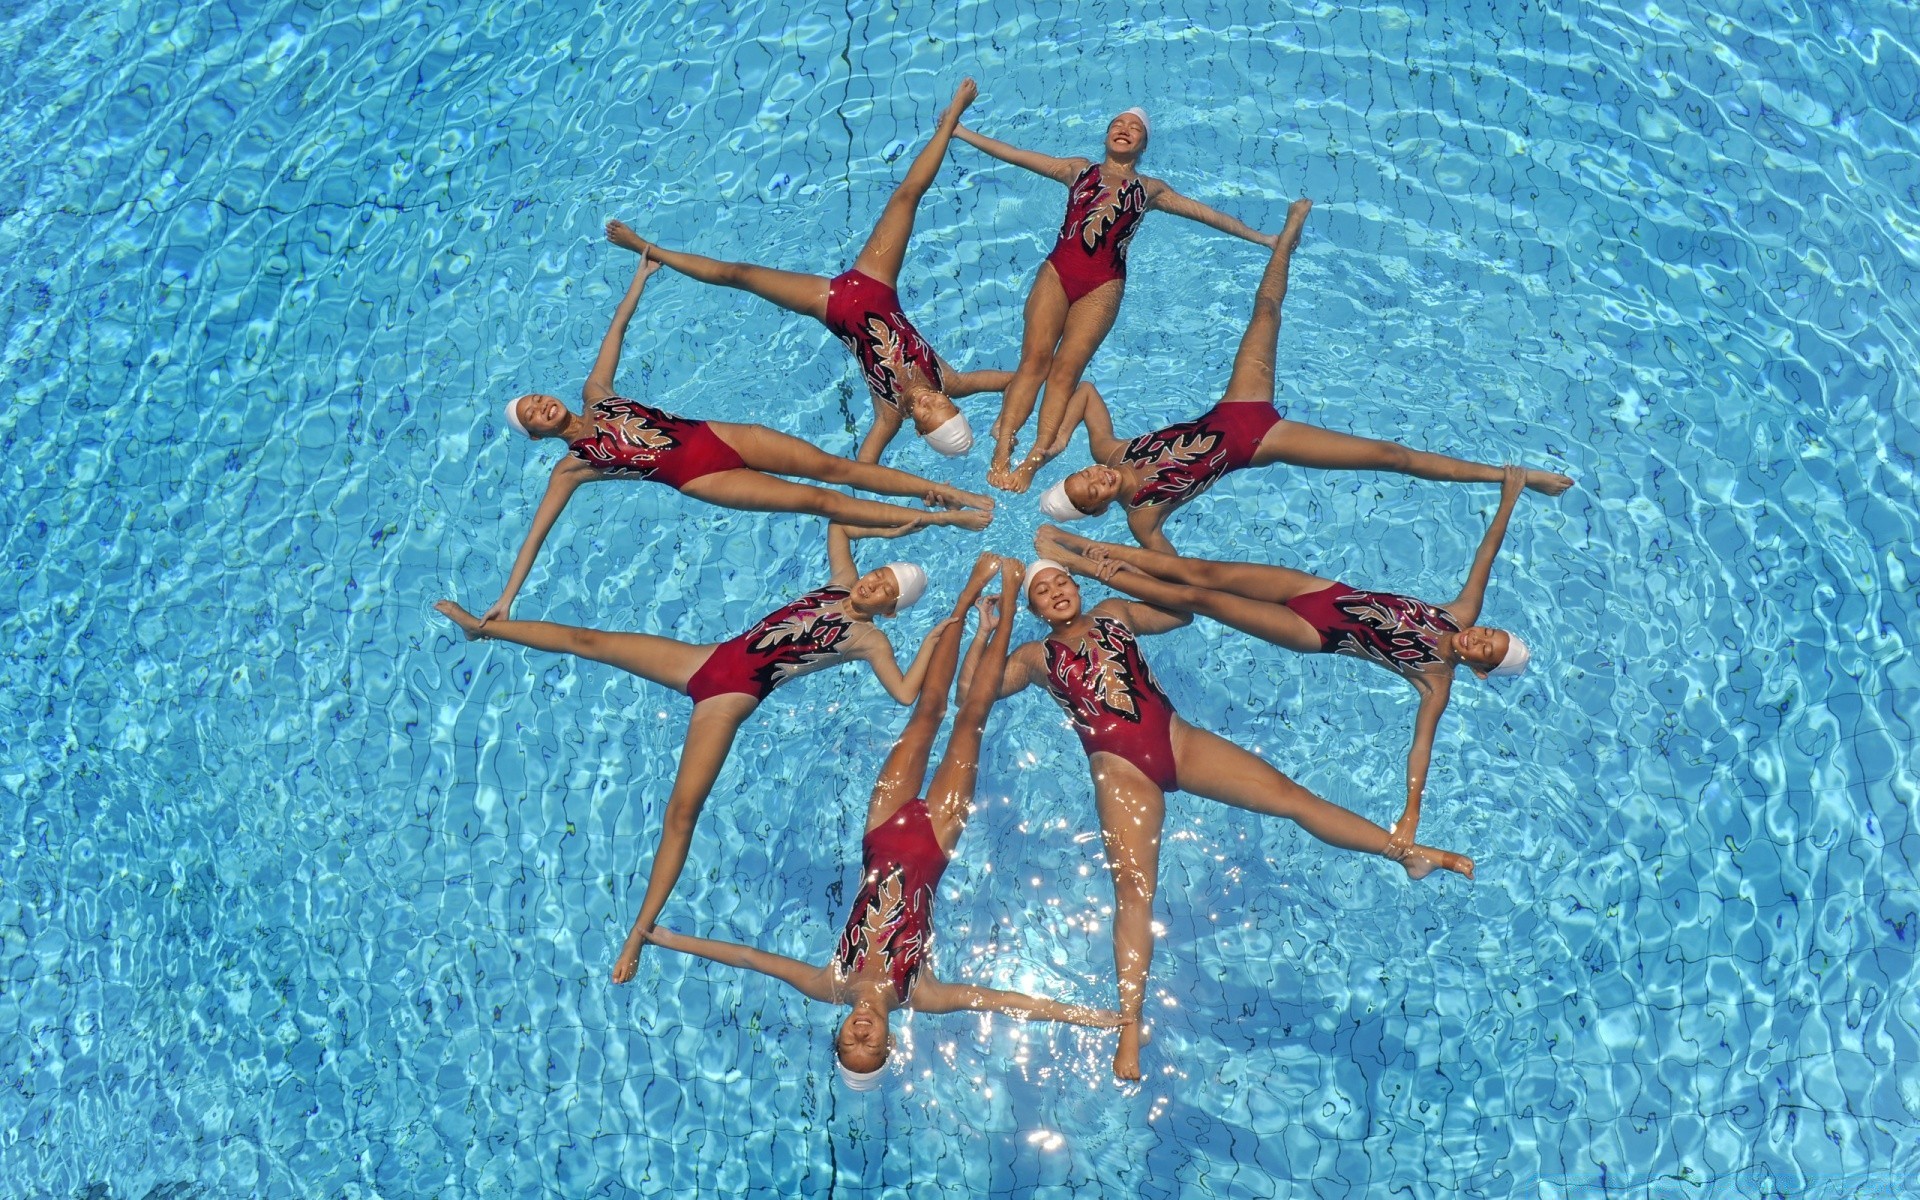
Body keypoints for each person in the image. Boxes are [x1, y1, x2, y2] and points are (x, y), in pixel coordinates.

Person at [643, 555, 1127, 1091]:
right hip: (935, 841)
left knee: (926, 714)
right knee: (972, 719)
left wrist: (663, 937)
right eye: (870, 1045)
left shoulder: (829, 983)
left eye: (849, 1042)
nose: (861, 1034)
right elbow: (1003, 1002)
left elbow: (746, 956)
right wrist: (1088, 1018)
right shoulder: (921, 993)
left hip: (881, 829)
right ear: (889, 1042)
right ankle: (1008, 606)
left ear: (840, 1032)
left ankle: (966, 603)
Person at [996, 547, 1473, 1080]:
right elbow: (976, 691)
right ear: (1035, 609)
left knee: (1292, 798)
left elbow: (1181, 614)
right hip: (1119, 770)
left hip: (1177, 741)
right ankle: (1130, 1024)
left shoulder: (1114, 612)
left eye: (1063, 581)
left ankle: (1406, 853)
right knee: (1133, 891)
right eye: (1044, 590)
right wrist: (998, 623)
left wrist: (1129, 579)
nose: (1059, 590)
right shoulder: (1034, 658)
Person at [435, 521, 957, 979]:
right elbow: (839, 526)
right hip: (700, 660)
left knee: (681, 814)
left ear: (890, 609)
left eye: (886, 588)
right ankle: (486, 629)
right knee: (588, 639)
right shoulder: (840, 582)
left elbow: (905, 692)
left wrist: (933, 640)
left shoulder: (871, 640)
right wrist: (888, 532)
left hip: (728, 700)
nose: (873, 582)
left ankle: (639, 931)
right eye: (879, 573)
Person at [1036, 461, 1532, 852]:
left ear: (1481, 671)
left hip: (1313, 629)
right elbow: (1485, 556)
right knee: (1199, 572)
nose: (1479, 638)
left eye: (1486, 651)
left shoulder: (1435, 677)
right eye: (1489, 632)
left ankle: (1081, 563)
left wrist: (1411, 813)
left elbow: (1420, 748)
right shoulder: (1458, 613)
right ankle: (1079, 542)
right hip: (1321, 590)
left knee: (1201, 600)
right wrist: (1508, 499)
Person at [1035, 200, 1574, 552]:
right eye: (1091, 493)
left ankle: (1285, 237)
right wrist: (1090, 557)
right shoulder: (1142, 518)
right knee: (1391, 458)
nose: (1097, 480)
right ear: (1099, 508)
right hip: (1263, 442)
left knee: (1266, 311)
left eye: (1084, 476)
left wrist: (1053, 443)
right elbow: (1174, 576)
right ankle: (1510, 475)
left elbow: (1083, 391)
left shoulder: (1111, 451)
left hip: (1236, 406)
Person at [489, 251, 992, 625]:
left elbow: (615, 333)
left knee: (838, 469)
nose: (541, 405)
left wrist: (638, 279)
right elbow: (538, 533)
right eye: (532, 414)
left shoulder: (595, 393)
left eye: (536, 397)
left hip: (723, 435)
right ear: (536, 435)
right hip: (701, 477)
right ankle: (943, 516)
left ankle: (956, 495)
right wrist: (508, 599)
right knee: (821, 500)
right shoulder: (573, 466)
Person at [604, 79, 1012, 464]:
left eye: (926, 416)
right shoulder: (951, 381)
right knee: (907, 196)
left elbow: (865, 467)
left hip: (830, 305)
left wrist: (917, 497)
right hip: (877, 283)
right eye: (940, 407)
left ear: (919, 432)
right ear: (952, 404)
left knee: (739, 274)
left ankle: (647, 249)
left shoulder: (889, 416)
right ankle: (953, 117)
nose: (927, 402)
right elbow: (1022, 378)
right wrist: (1005, 430)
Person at [951, 106, 1277, 492]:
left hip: (1103, 286)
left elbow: (1204, 213)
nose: (1124, 129)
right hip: (1057, 273)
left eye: (1134, 128)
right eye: (1118, 124)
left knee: (1065, 372)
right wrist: (961, 132)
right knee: (1034, 360)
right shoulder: (1078, 170)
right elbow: (1016, 154)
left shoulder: (1149, 189)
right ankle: (1003, 450)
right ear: (1106, 134)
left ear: (1143, 144)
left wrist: (1263, 239)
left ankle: (1033, 461)